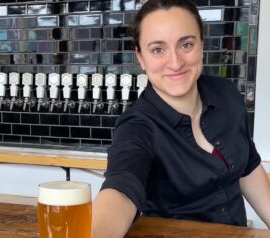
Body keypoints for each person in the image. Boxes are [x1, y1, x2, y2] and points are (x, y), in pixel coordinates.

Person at [92, 0, 270, 237]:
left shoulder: (226, 94)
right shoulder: (137, 127)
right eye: (158, 49)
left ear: (201, 45)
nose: (175, 63)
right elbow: (121, 190)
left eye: (186, 44)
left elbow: (248, 166)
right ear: (141, 58)